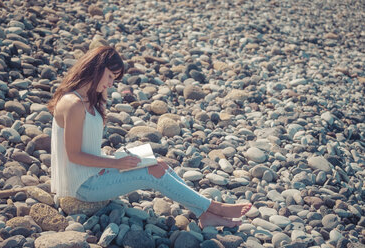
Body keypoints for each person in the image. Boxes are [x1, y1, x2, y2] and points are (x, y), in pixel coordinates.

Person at [47, 46, 252, 228]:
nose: (111, 84)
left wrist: (112, 162)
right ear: (97, 68)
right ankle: (216, 208)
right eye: (110, 76)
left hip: (95, 173)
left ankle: (205, 213)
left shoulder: (89, 99)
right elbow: (74, 155)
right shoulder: (73, 104)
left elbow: (87, 147)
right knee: (150, 172)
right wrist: (113, 162)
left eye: (114, 79)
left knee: (159, 164)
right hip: (83, 186)